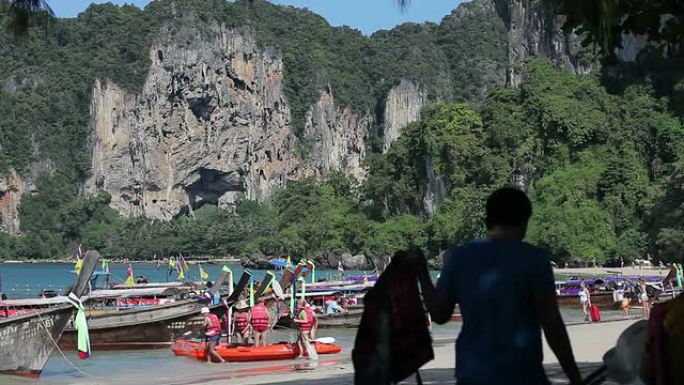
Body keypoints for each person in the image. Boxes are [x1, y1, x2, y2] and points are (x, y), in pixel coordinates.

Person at [416, 187, 582, 385]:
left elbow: (440, 315)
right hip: (523, 374)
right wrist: (574, 376)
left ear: (488, 221)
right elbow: (551, 323)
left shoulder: (459, 257)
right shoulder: (535, 259)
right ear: (524, 221)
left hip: (473, 374)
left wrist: (422, 274)